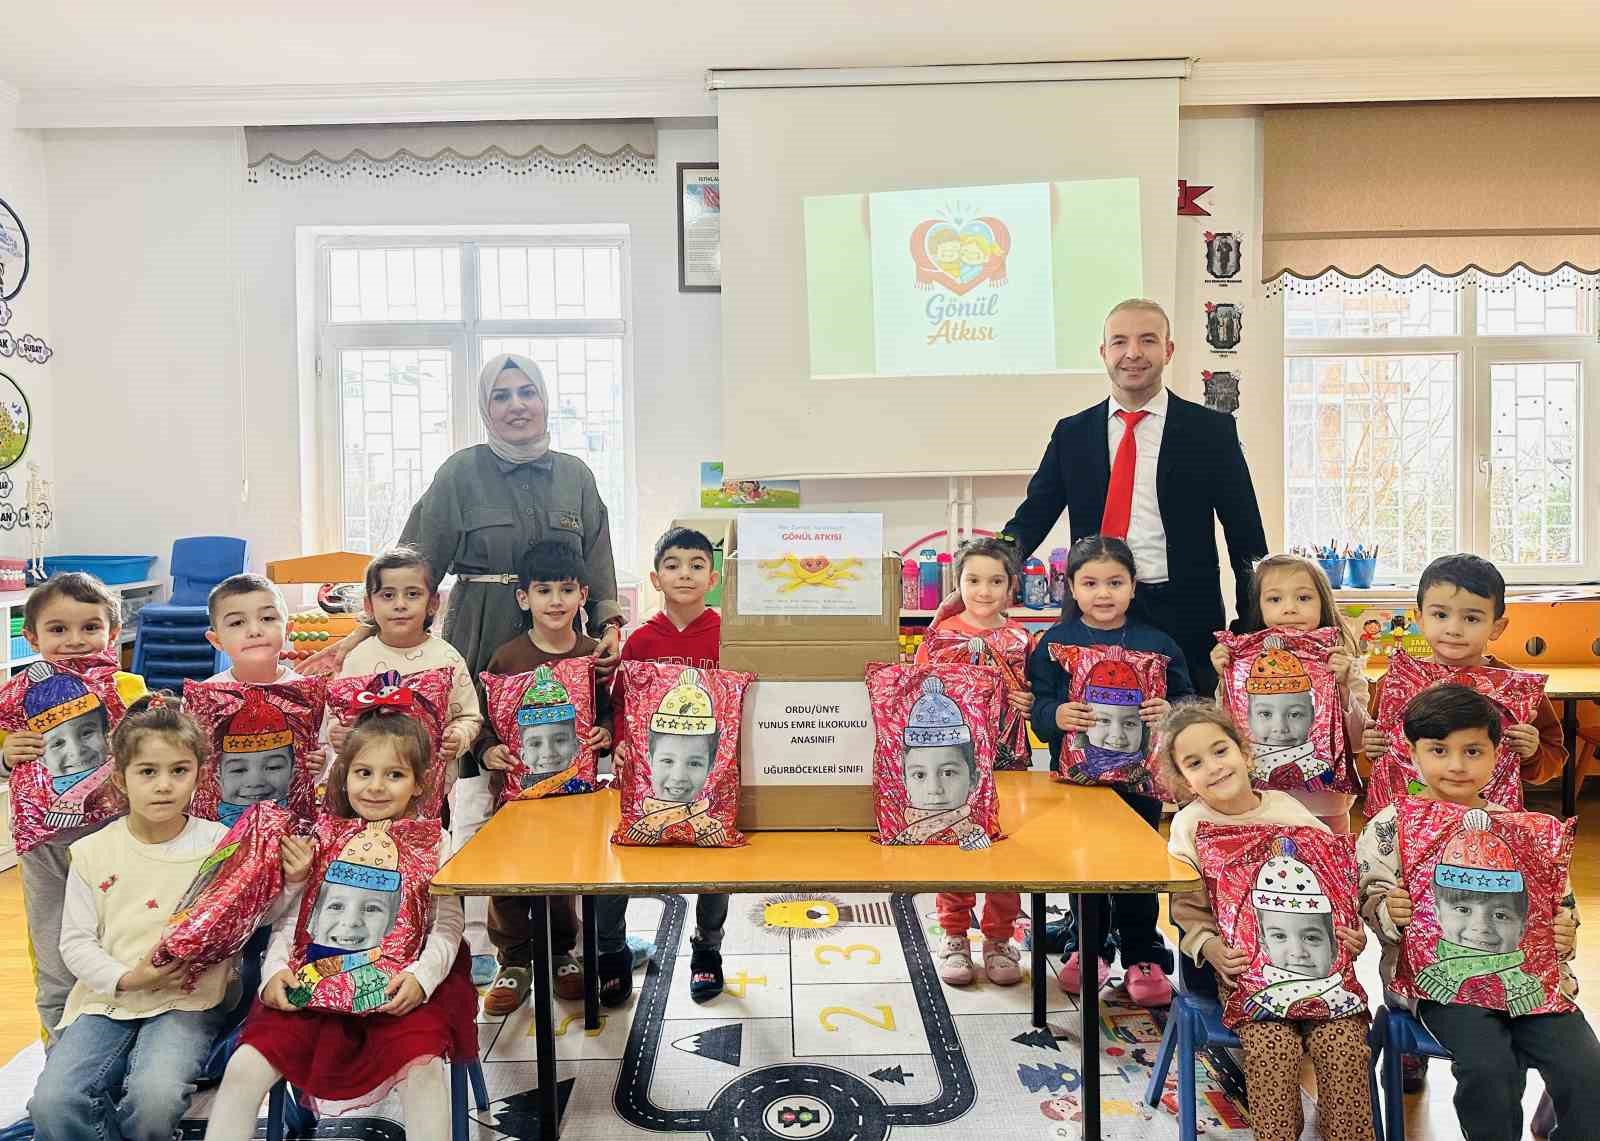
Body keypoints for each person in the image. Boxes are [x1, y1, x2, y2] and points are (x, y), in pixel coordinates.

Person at [29, 694, 306, 1141]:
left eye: (179, 771)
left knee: (154, 1098)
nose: (164, 785)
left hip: (188, 1001)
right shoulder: (92, 851)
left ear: (200, 775)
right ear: (120, 779)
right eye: (147, 772)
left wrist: (292, 882)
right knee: (53, 1102)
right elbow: (75, 943)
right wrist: (127, 979)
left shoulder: (220, 843)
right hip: (107, 1001)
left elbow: (251, 917)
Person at [205, 704, 476, 1140]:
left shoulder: (437, 844)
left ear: (419, 783)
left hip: (400, 989)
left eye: (394, 775)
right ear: (345, 775)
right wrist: (274, 970)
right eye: (363, 773)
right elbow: (288, 921)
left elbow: (447, 928)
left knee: (423, 1071)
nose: (375, 787)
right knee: (244, 1066)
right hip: (311, 986)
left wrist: (420, 979)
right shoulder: (320, 838)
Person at [1357, 684, 1594, 1141]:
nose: (1456, 765)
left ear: (1495, 752)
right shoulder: (1393, 825)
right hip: (1445, 988)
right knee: (1490, 1069)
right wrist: (1390, 910)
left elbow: (1557, 901)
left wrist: (1565, 931)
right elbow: (1367, 899)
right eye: (1438, 750)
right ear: (1411, 751)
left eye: (1472, 751)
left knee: (1586, 1068)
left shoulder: (1521, 827)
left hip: (1529, 982)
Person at [998, 298, 1267, 697]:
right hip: (1094, 608)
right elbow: (1033, 516)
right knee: (1089, 735)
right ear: (1103, 352)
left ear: (1168, 350)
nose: (1133, 353)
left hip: (1184, 614)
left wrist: (1253, 624)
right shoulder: (1072, 433)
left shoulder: (1210, 431)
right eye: (1120, 342)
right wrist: (991, 566)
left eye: (1148, 340)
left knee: (1183, 736)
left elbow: (1245, 534)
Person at [1161, 702, 1374, 1141]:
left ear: (1245, 752)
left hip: (1322, 974)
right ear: (1183, 780)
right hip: (1244, 974)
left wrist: (1352, 931)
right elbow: (1185, 908)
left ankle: (1346, 1134)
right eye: (1195, 763)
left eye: (1221, 752)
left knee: (1346, 1045)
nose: (1214, 768)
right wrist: (1209, 946)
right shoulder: (1189, 825)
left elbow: (1332, 880)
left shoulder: (1284, 807)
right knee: (1271, 1051)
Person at [1028, 535, 1190, 1006]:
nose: (1104, 593)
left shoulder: (1156, 643)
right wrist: (1055, 715)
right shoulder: (1056, 643)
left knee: (1137, 867)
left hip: (1140, 782)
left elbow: (1186, 698)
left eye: (1115, 582)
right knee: (1085, 866)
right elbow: (1039, 703)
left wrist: (1171, 710)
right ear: (1071, 588)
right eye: (1091, 583)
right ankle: (1088, 947)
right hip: (1077, 783)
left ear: (1133, 587)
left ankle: (1143, 953)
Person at [2, 573, 148, 1045]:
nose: (74, 640)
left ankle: (119, 1049)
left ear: (113, 630)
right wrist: (6, 755)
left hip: (118, 837)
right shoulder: (16, 695)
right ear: (32, 636)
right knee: (53, 953)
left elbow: (162, 748)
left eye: (90, 627)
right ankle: (58, 1060)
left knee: (120, 942)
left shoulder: (127, 686)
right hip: (44, 845)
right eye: (58, 629)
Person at [479, 539, 615, 1014]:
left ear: (583, 595)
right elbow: (485, 722)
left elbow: (610, 712)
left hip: (576, 794)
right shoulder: (506, 658)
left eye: (566, 589)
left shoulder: (594, 656)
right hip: (516, 796)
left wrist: (606, 733)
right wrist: (487, 750)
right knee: (510, 874)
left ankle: (562, 952)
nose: (555, 601)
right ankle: (514, 959)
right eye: (543, 590)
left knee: (564, 873)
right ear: (524, 598)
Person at [613, 527, 730, 1003]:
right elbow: (621, 703)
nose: (685, 573)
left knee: (715, 863)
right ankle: (610, 951)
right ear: (655, 577)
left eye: (696, 565)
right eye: (674, 564)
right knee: (625, 859)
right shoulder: (640, 640)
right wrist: (620, 741)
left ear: (713, 577)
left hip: (712, 774)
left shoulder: (728, 634)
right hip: (649, 778)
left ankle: (708, 949)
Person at [916, 538, 1032, 987]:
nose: (984, 590)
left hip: (1008, 760)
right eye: (973, 580)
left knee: (1007, 848)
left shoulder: (1023, 638)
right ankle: (954, 935)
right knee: (958, 841)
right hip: (954, 759)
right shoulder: (940, 636)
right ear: (958, 583)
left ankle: (1000, 937)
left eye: (996, 581)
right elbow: (919, 691)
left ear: (1011, 585)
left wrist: (1031, 700)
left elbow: (1039, 695)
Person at [1361, 554, 1565, 791]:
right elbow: (1381, 746)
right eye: (1440, 615)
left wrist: (1532, 752)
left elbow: (1553, 761)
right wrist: (1372, 746)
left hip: (1485, 820)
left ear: (1496, 627)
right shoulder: (1396, 683)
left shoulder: (1518, 690)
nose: (1454, 629)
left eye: (1471, 618)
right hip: (1413, 820)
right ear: (1420, 619)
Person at [1211, 554, 1369, 832]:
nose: (1290, 609)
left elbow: (1357, 742)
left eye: (1304, 598)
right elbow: (1225, 733)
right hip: (1261, 804)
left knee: (1330, 872)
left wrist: (1343, 688)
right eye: (1275, 599)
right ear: (1259, 607)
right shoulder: (1244, 666)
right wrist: (1227, 679)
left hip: (1325, 806)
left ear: (1323, 602)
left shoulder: (1342, 664)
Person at [328, 548, 483, 778]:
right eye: (387, 595)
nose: (400, 604)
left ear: (432, 603)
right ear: (369, 605)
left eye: (412, 594)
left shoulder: (447, 658)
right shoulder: (356, 659)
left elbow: (469, 716)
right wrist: (336, 732)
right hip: (370, 789)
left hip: (430, 788)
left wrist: (458, 736)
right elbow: (336, 715)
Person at [205, 574, 300, 684]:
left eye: (267, 618)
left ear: (287, 631)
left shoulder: (309, 693)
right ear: (217, 641)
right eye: (237, 622)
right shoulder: (204, 697)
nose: (255, 631)